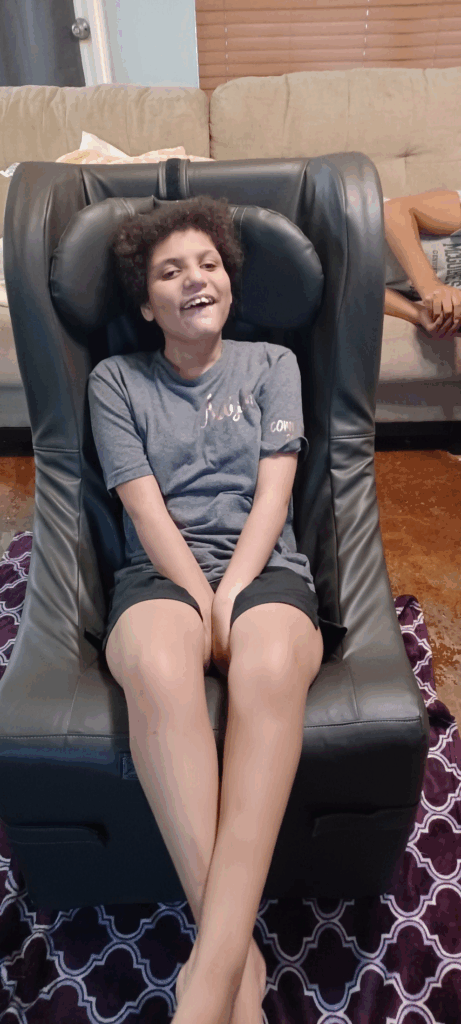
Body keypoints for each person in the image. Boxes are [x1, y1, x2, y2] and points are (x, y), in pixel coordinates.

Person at [87, 194, 346, 1024]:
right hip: (160, 574)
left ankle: (204, 989)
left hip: (263, 568)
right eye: (170, 271)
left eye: (208, 264)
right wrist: (197, 597)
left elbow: (275, 491)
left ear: (228, 280)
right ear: (144, 301)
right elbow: (142, 505)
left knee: (269, 661)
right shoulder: (115, 379)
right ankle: (239, 979)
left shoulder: (272, 363)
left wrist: (233, 588)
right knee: (159, 664)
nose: (195, 279)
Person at [384, 188, 461, 340]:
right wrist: (430, 286)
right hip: (347, 227)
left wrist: (418, 314)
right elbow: (393, 212)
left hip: (339, 283)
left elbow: (364, 293)